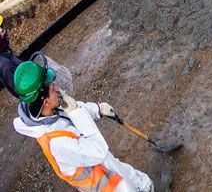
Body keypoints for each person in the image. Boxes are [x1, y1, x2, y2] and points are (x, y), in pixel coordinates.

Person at [13, 59, 153, 191]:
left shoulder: (49, 111)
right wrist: (77, 113)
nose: (57, 88)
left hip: (106, 164)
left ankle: (142, 185)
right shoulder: (57, 143)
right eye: (52, 88)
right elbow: (99, 150)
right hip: (105, 185)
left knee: (124, 172)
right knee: (124, 186)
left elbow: (76, 109)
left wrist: (98, 109)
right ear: (46, 102)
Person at [0, 16, 22, 98]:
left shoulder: (5, 50)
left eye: (2, 26)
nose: (3, 30)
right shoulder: (5, 65)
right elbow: (18, 89)